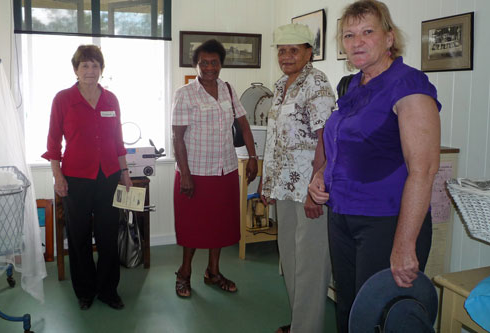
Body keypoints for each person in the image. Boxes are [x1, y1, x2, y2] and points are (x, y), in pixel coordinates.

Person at [308, 1, 441, 332]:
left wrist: (404, 244)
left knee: (380, 318)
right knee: (350, 312)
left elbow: (423, 170)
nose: (357, 42)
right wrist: (321, 175)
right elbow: (343, 147)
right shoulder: (354, 85)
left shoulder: (409, 85)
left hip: (386, 221)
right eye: (349, 35)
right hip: (342, 217)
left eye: (368, 32)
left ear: (389, 37)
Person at [42, 45, 132, 310]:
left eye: (95, 66)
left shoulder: (111, 99)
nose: (90, 71)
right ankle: (85, 291)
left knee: (107, 235)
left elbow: (118, 140)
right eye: (85, 66)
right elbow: (53, 142)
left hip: (108, 176)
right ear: (76, 70)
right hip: (76, 178)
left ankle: (108, 290)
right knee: (79, 237)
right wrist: (58, 177)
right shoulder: (63, 99)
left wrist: (125, 172)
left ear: (101, 70)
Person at [259, 24, 335, 333]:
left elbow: (326, 140)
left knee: (311, 266)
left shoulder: (316, 82)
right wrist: (268, 184)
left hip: (308, 189)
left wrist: (315, 190)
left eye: (293, 50)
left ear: (309, 52)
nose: (286, 56)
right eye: (281, 50)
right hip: (284, 186)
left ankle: (307, 328)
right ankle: (300, 323)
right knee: (289, 259)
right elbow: (274, 140)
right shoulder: (280, 85)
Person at [171, 39, 258, 298]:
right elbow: (177, 137)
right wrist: (185, 173)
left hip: (225, 170)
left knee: (218, 225)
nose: (209, 67)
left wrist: (252, 156)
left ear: (221, 64)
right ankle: (184, 273)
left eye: (214, 62)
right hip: (195, 172)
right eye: (203, 63)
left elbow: (243, 125)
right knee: (192, 226)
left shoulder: (229, 90)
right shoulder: (184, 93)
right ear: (195, 65)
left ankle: (213, 272)